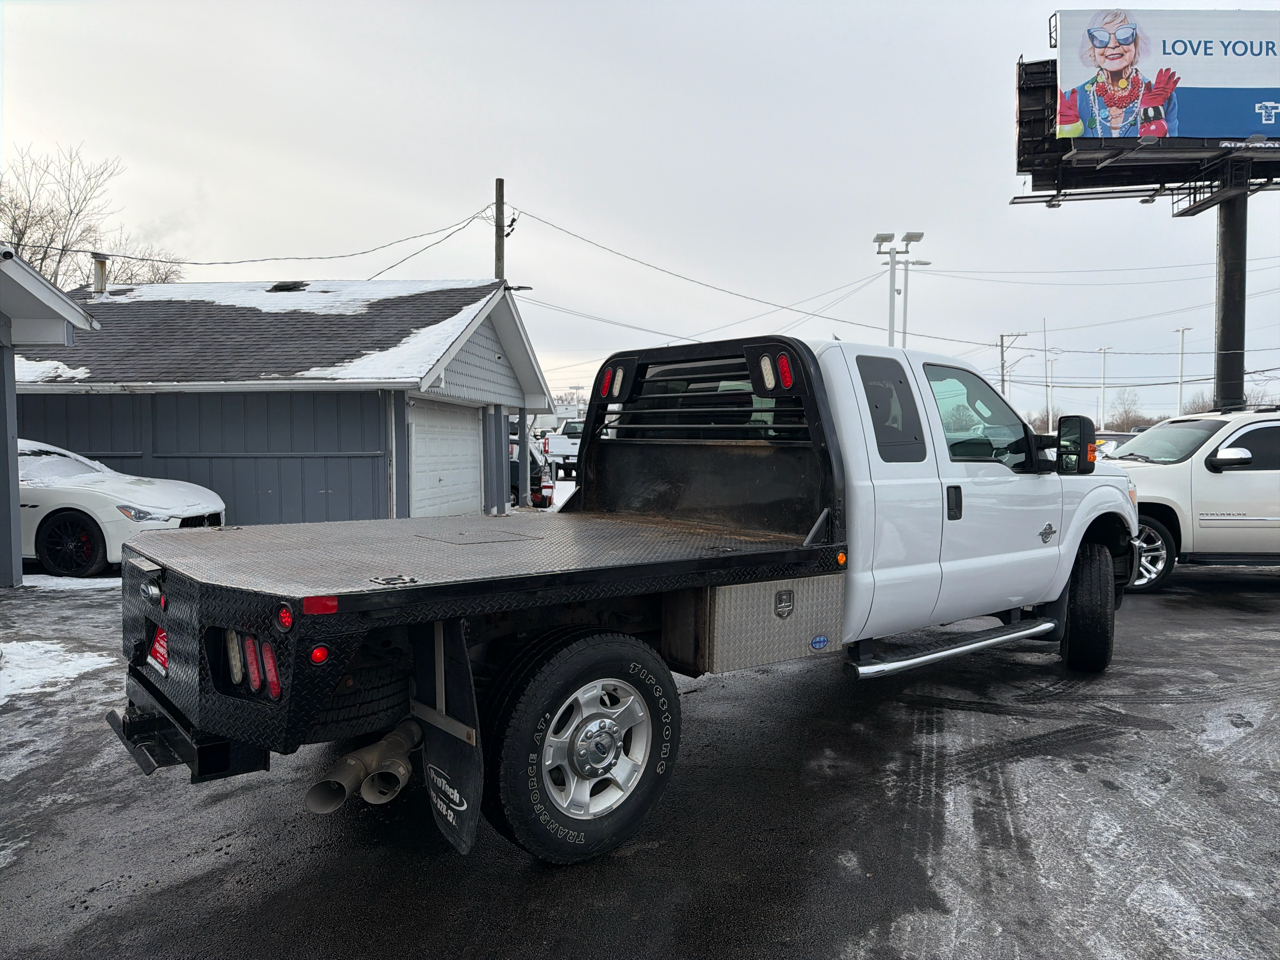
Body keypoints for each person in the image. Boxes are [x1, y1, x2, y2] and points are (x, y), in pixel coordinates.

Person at [1057, 9, 1179, 138]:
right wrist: (1067, 130)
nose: (1113, 45)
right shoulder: (1074, 98)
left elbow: (1175, 147)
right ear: (1092, 48)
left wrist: (1153, 115)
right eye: (1101, 37)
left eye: (1124, 35)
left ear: (1136, 44)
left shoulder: (1162, 97)